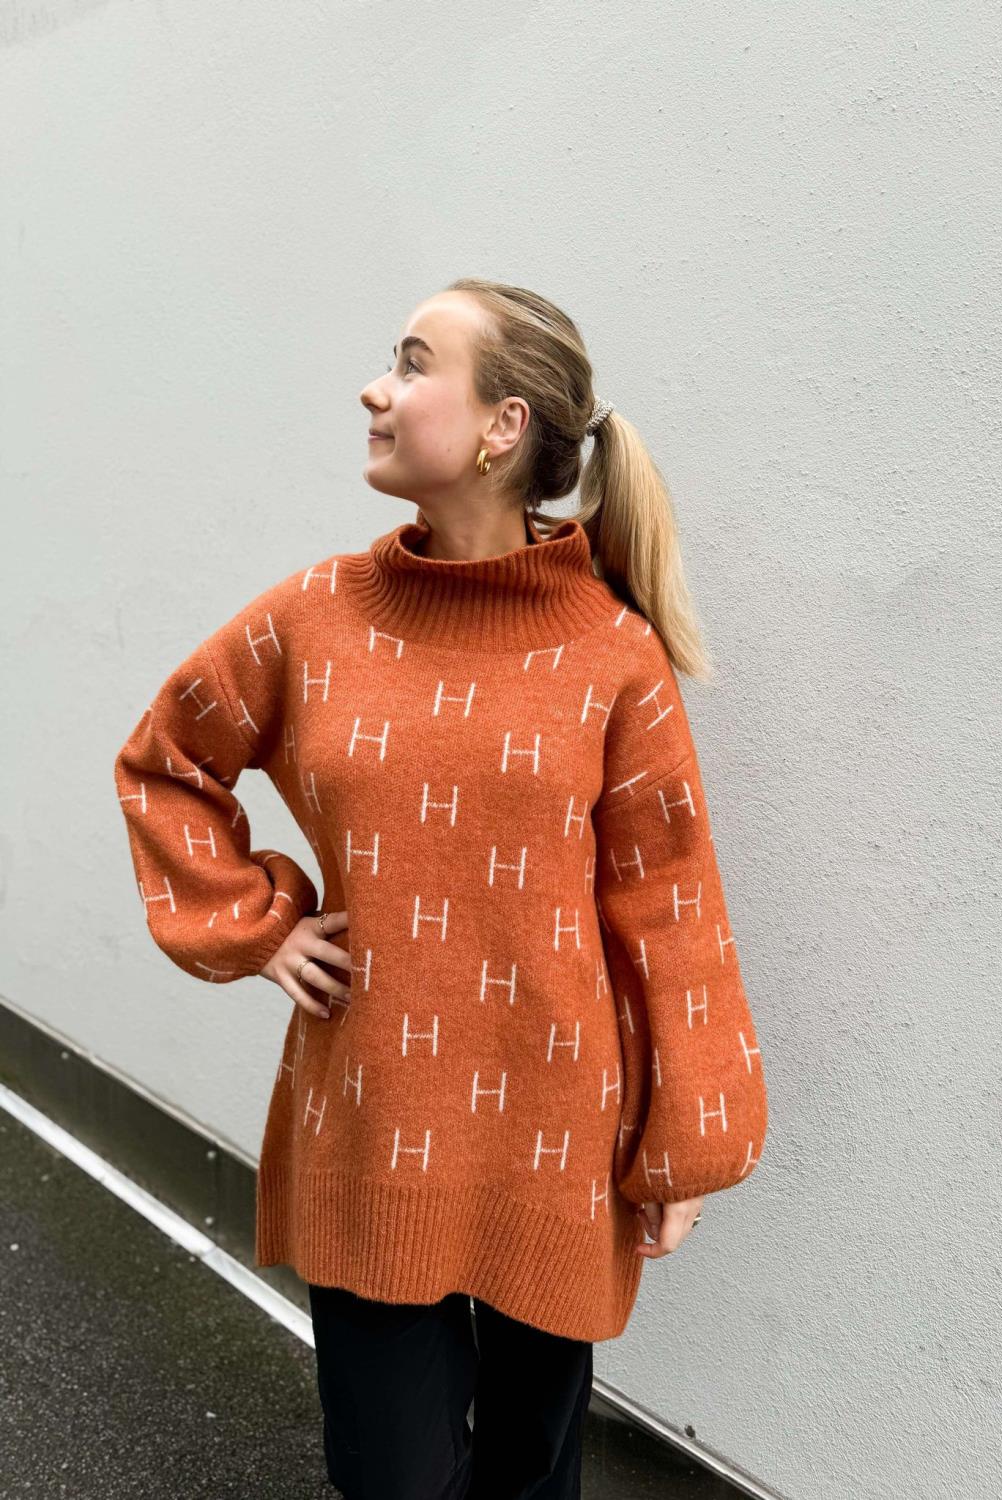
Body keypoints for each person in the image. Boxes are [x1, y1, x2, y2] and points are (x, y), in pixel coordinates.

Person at [113, 278, 769, 1500]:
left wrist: (684, 1144)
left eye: (414, 364)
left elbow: (668, 903)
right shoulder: (315, 617)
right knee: (396, 1480)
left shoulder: (612, 653)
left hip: (556, 1139)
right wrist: (260, 925)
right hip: (374, 1124)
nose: (375, 388)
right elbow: (167, 764)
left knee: (529, 1477)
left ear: (500, 427)